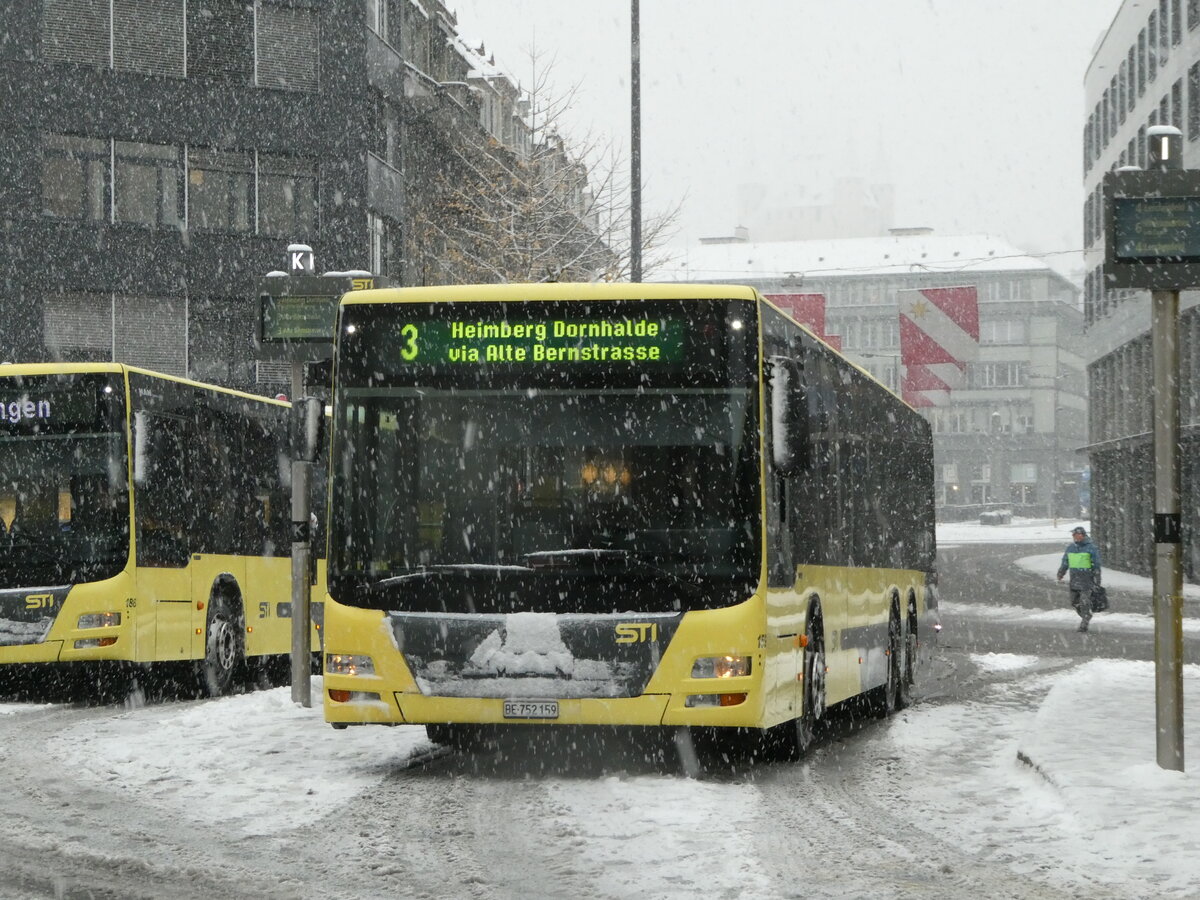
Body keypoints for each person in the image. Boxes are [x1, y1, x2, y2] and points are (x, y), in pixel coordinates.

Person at [1057, 526, 1101, 632]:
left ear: (1082, 535)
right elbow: (1065, 561)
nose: (1074, 537)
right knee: (1074, 602)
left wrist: (1097, 578)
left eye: (1076, 534)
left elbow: (1096, 564)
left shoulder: (1091, 548)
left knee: (1084, 601)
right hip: (1074, 579)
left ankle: (1085, 621)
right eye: (1073, 535)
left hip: (1087, 580)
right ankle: (1086, 615)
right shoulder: (1071, 548)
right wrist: (1061, 572)